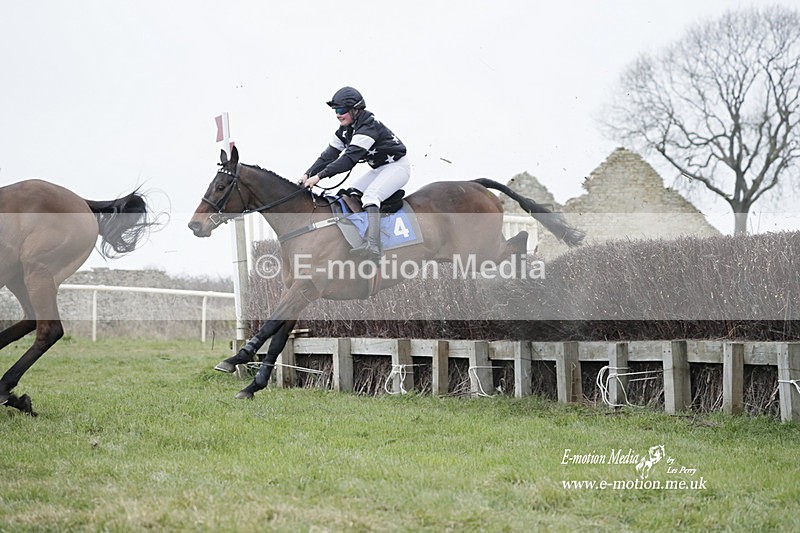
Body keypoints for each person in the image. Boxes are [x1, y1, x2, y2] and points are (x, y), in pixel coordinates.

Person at [300, 86, 410, 261]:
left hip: (397, 167)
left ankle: (373, 245)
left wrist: (319, 177)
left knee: (370, 196)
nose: (338, 115)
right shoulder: (345, 130)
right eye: (336, 111)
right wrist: (307, 174)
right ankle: (359, 237)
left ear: (355, 109)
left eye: (341, 110)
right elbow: (329, 155)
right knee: (349, 194)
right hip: (380, 169)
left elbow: (348, 160)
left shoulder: (368, 126)